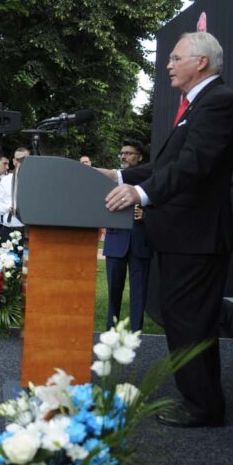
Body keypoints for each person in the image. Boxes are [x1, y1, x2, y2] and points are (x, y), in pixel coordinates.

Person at [102, 31, 233, 428]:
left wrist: (140, 194)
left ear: (201, 62)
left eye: (176, 57)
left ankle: (203, 406)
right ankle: (197, 395)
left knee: (190, 321)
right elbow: (169, 164)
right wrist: (118, 174)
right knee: (182, 318)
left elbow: (193, 165)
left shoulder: (218, 103)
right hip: (185, 237)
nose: (168, 64)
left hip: (197, 237)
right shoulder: (201, 105)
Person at [102, 141, 151, 332]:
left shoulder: (150, 177)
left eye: (129, 153)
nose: (123, 156)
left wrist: (148, 215)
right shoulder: (111, 179)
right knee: (114, 290)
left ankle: (136, 331)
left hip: (141, 241)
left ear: (140, 157)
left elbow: (164, 203)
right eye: (121, 153)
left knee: (139, 291)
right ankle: (110, 330)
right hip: (116, 241)